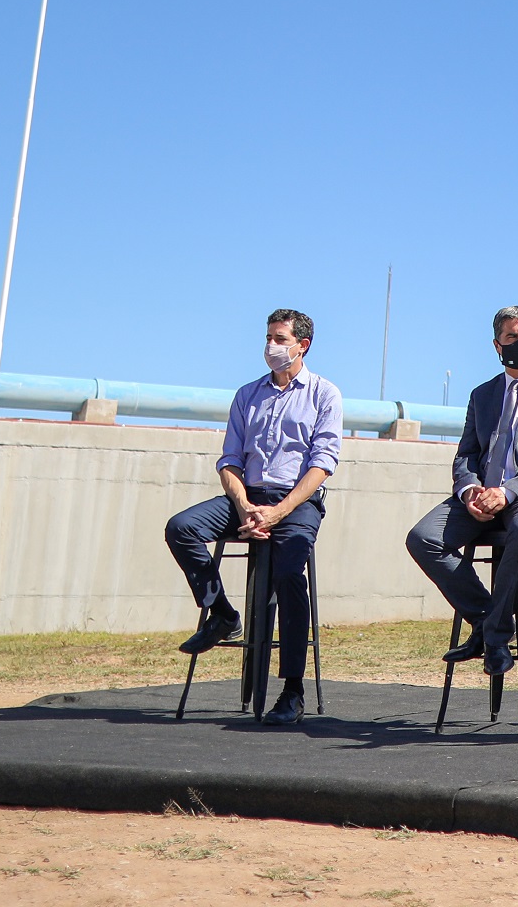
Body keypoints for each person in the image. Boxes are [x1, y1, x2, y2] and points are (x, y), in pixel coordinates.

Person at [166, 309, 342, 726]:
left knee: (288, 572)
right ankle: (224, 616)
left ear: (303, 345)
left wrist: (278, 512)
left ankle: (292, 689)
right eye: (268, 337)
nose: (271, 347)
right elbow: (228, 461)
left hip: (296, 502)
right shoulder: (247, 394)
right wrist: (245, 505)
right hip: (247, 498)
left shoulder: (324, 394)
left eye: (280, 339)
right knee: (182, 527)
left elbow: (323, 463)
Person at [406, 306, 518, 678]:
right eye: (513, 337)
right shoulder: (483, 394)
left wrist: (507, 492)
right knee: (422, 538)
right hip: (484, 494)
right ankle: (487, 623)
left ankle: (494, 635)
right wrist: (469, 490)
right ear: (496, 345)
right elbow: (466, 454)